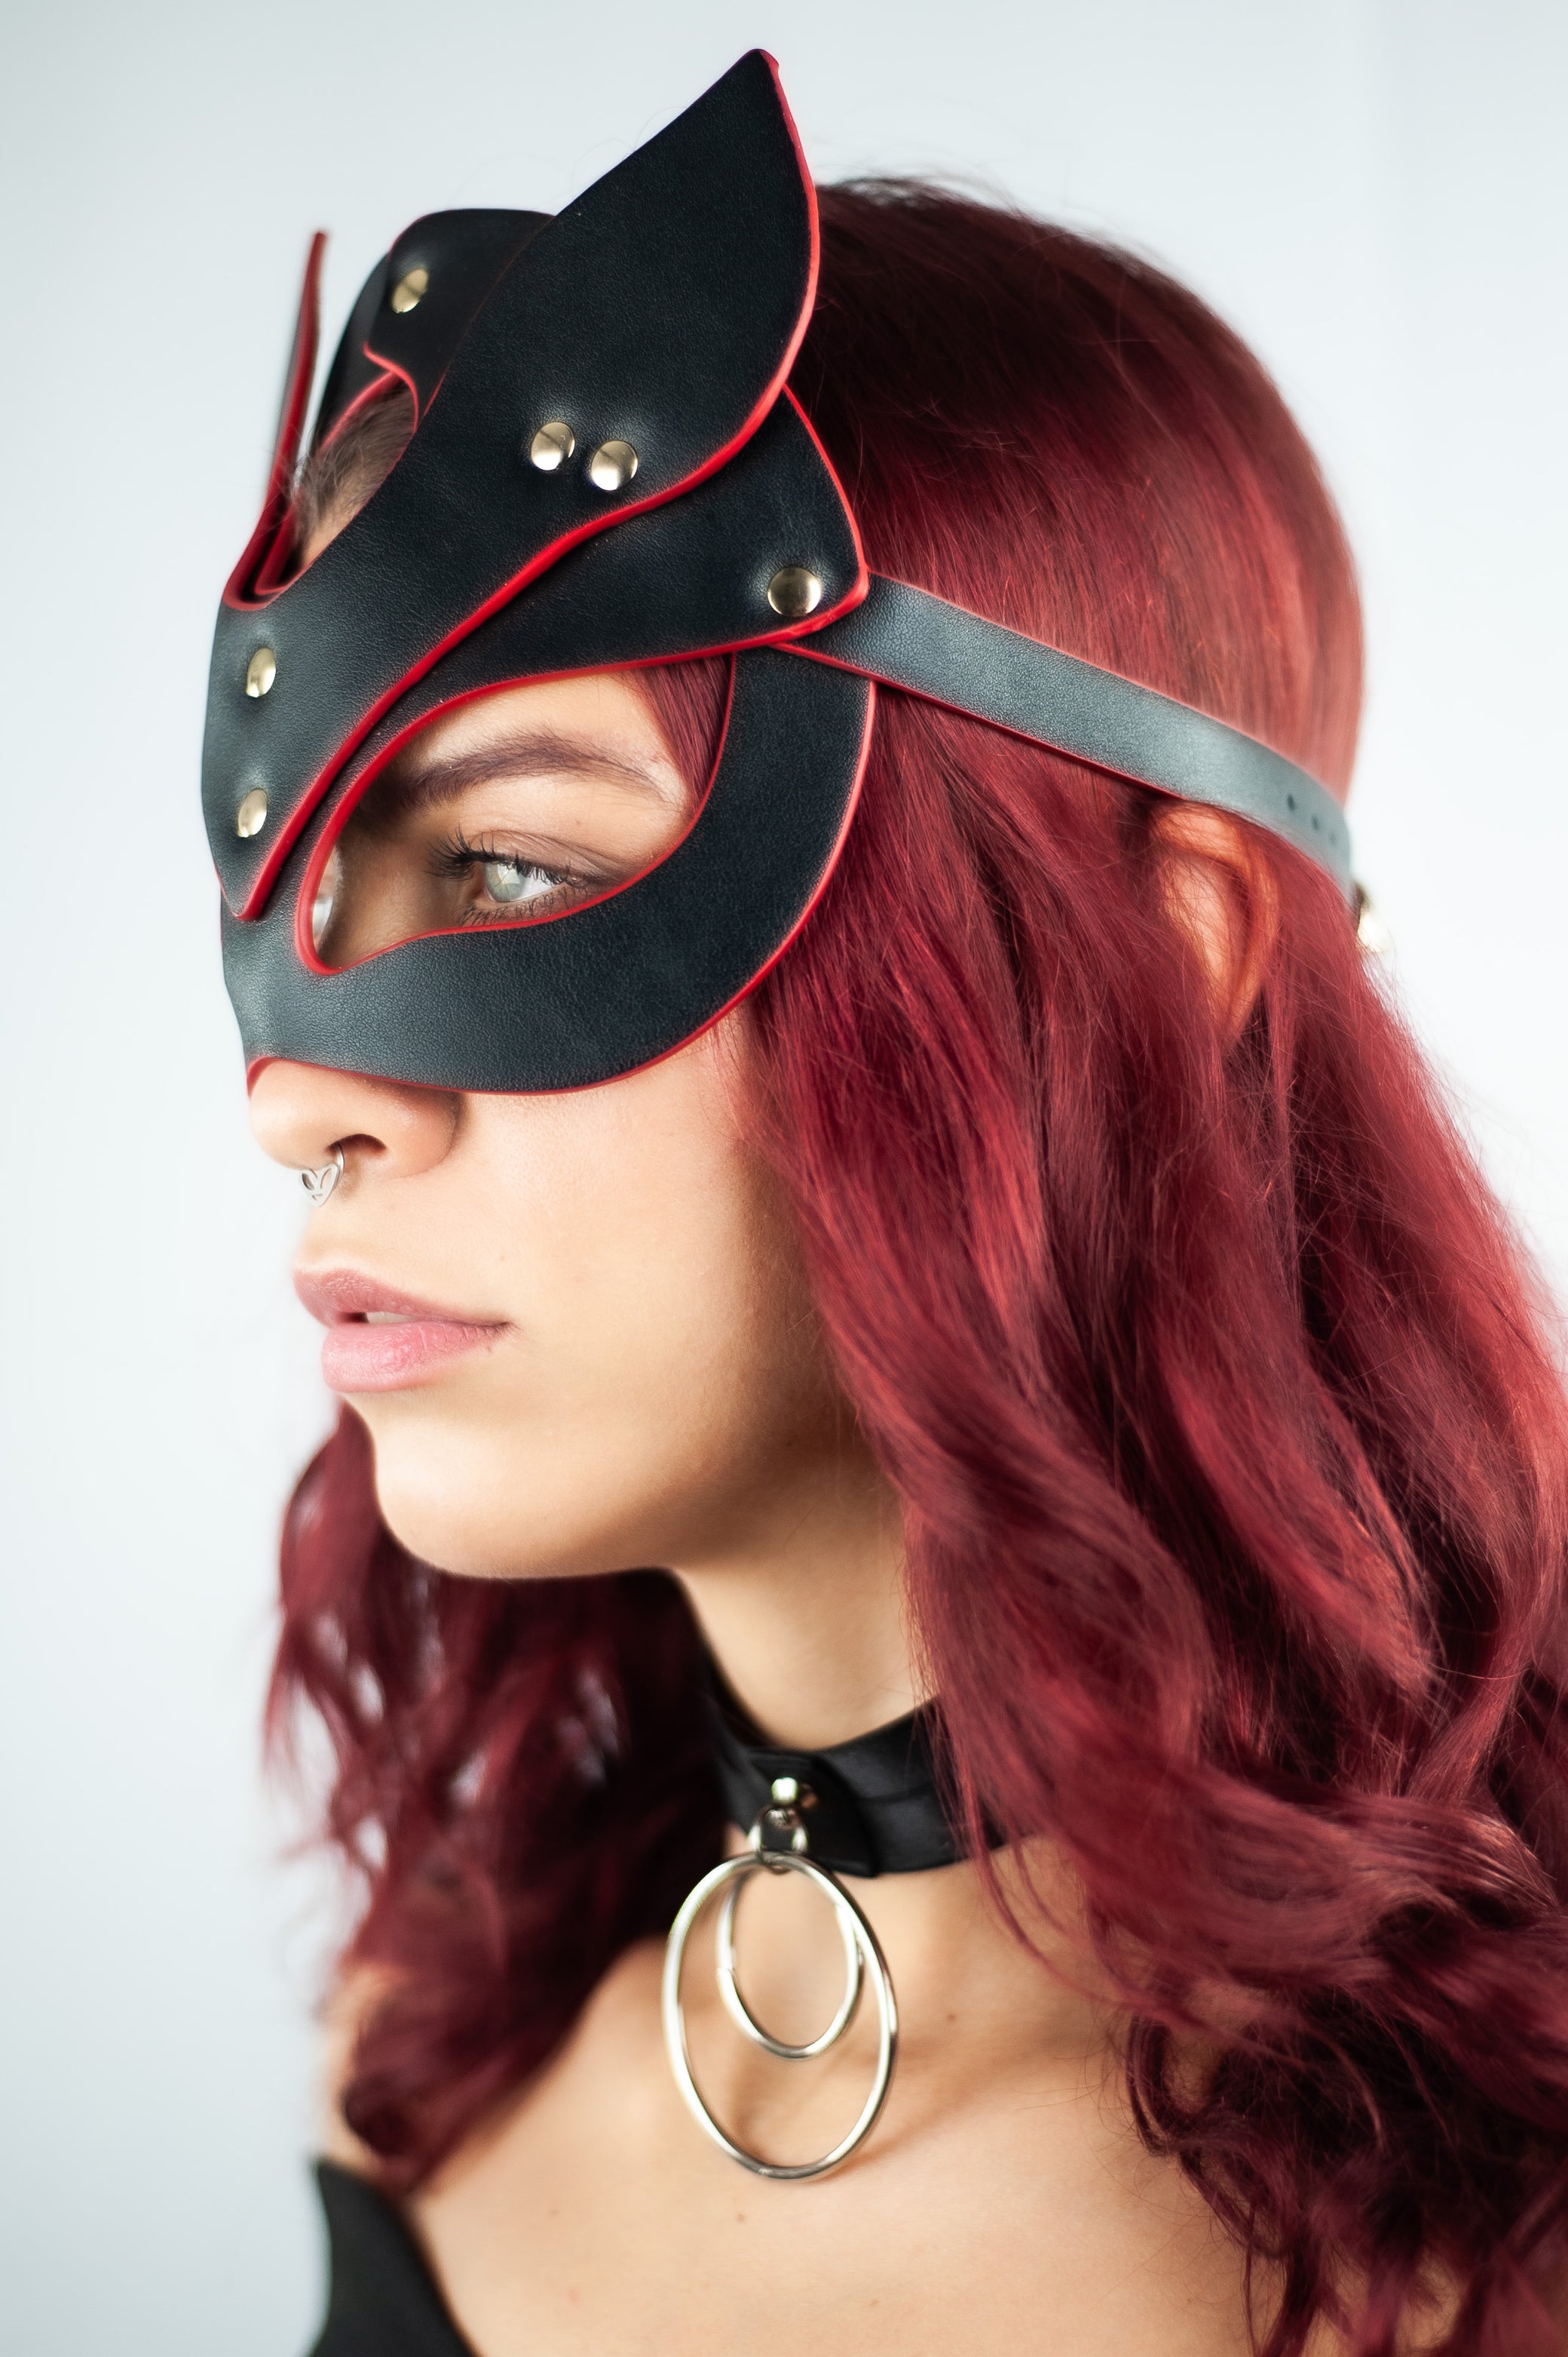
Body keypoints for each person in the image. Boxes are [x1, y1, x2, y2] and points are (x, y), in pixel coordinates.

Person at [211, 54, 1568, 2357]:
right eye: (304, 890)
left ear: (1166, 959)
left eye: (515, 868)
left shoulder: (1491, 2238)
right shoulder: (438, 2048)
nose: (300, 1101)